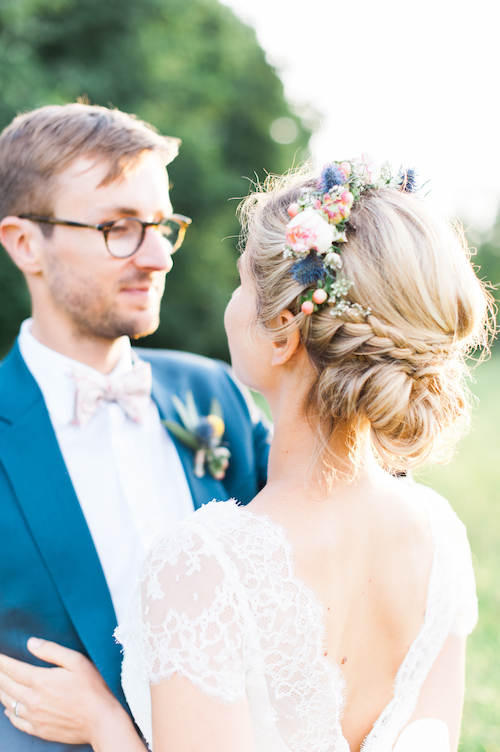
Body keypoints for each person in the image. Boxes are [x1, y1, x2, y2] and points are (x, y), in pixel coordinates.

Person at [113, 157, 491, 751]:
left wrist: (102, 727)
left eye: (243, 281)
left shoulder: (204, 568)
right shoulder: (439, 537)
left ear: (286, 330)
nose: (232, 305)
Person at [0, 103, 270, 751]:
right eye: (118, 227)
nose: (157, 258)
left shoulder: (215, 392)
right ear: (24, 242)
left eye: (160, 225)